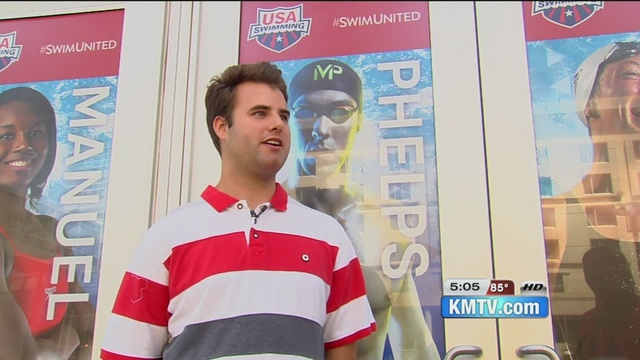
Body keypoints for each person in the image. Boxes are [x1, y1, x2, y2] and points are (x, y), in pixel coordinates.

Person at [100, 61, 376, 360]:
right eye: (260, 113)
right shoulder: (167, 237)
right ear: (222, 127)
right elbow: (124, 353)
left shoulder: (329, 235)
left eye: (283, 115)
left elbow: (343, 351)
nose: (277, 124)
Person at [286, 59, 440, 359]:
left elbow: (416, 348)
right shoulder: (257, 218)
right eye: (306, 112)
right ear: (288, 120)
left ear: (359, 120)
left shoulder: (385, 229)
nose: (322, 129)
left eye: (340, 112)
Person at [0, 86, 96, 360]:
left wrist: (55, 346)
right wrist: (64, 343)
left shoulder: (51, 231)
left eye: (36, 133)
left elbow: (91, 331)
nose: (24, 146)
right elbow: (19, 355)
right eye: (6, 135)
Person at [575, 246, 640, 359]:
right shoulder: (588, 320)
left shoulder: (635, 315)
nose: (592, 275)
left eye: (600, 267)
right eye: (587, 270)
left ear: (620, 272)